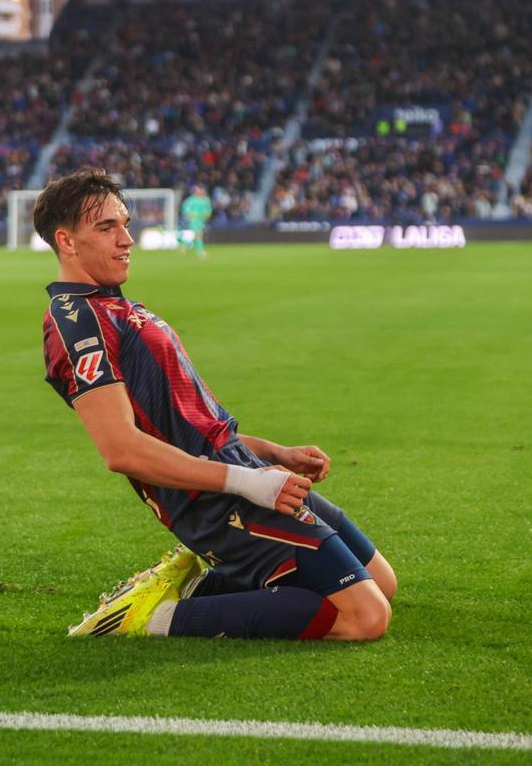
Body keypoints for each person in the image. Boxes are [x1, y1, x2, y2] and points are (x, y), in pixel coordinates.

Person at [38, 168, 396, 641]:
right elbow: (122, 449)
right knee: (364, 617)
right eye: (107, 228)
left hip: (241, 473)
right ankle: (153, 618)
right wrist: (249, 483)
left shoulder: (118, 306)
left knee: (382, 585)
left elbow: (188, 423)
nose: (127, 239)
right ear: (66, 241)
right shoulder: (76, 321)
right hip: (209, 501)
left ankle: (194, 589)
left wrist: (272, 453)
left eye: (124, 224)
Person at [179, 183, 212, 257]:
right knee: (199, 235)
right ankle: (200, 252)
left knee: (197, 235)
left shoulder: (206, 199)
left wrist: (208, 214)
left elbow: (209, 208)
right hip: (193, 219)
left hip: (201, 219)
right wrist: (190, 214)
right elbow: (185, 208)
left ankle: (184, 245)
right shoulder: (191, 199)